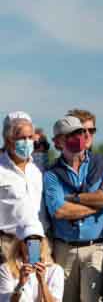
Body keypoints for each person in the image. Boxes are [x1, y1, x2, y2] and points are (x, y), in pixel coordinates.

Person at [44, 115, 103, 302]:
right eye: (70, 134)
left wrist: (74, 199)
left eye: (79, 132)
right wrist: (96, 206)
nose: (77, 137)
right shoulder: (52, 173)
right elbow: (59, 210)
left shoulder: (102, 164)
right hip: (64, 250)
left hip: (96, 247)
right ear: (57, 142)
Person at [0, 113, 48, 263]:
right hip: (8, 244)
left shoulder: (38, 169)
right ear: (8, 140)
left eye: (29, 137)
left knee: (37, 285)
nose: (27, 142)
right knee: (12, 285)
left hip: (37, 243)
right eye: (21, 138)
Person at [0, 221, 64, 301]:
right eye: (28, 240)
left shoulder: (55, 270)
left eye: (37, 239)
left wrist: (42, 282)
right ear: (19, 243)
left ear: (43, 242)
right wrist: (20, 284)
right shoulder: (6, 269)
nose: (30, 245)